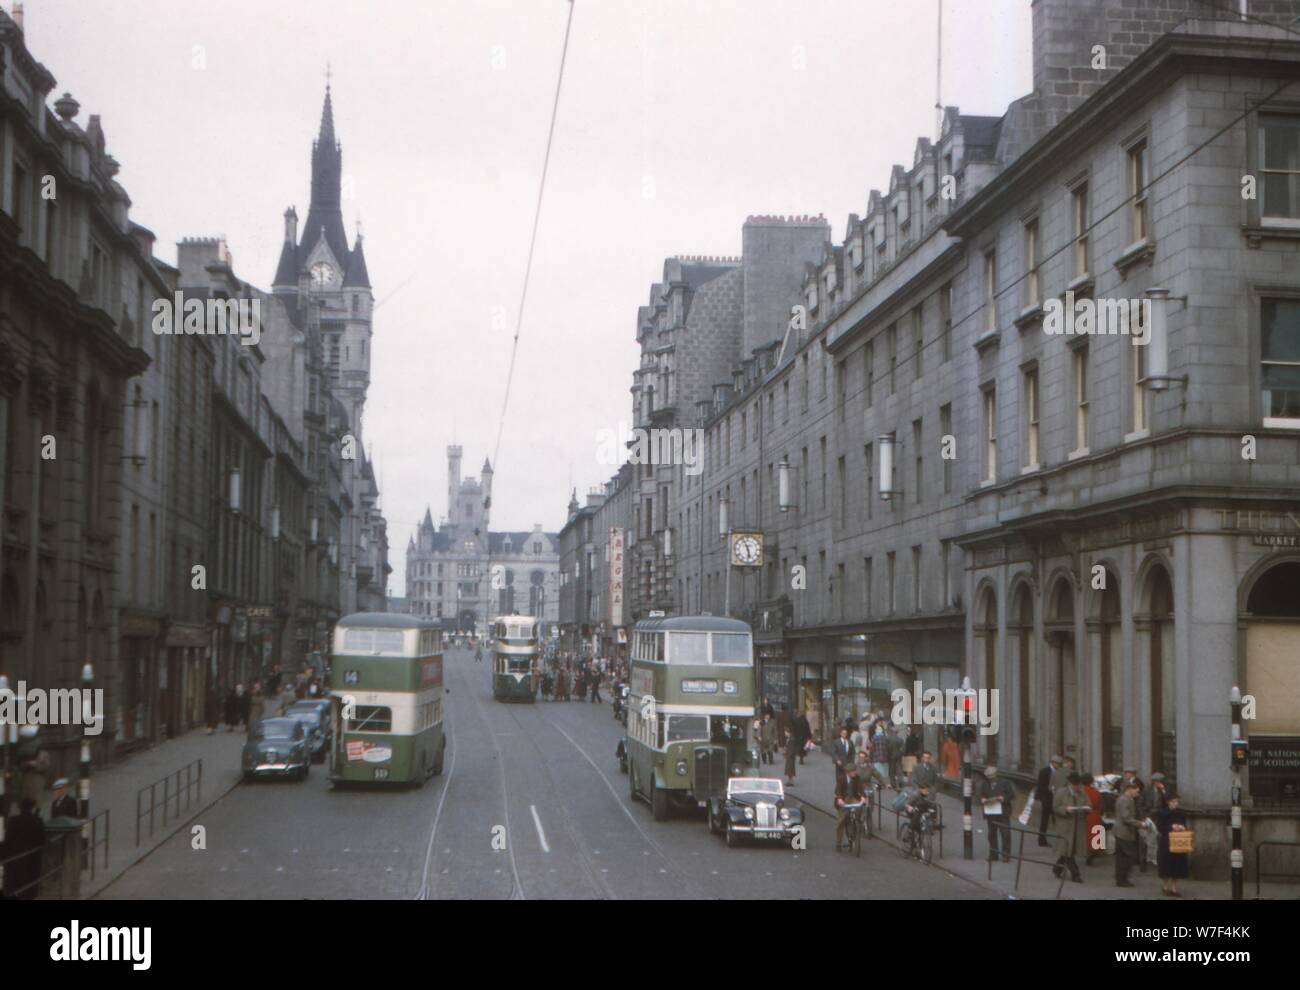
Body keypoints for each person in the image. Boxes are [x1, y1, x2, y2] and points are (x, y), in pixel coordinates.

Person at [1, 798, 45, 899]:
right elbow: (41, 840)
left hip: (14, 860)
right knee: (28, 889)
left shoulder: (13, 820)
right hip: (31, 861)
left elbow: (7, 840)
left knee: (13, 887)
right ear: (32, 808)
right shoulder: (37, 821)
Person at [1052, 772, 1089, 883]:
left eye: (1078, 784)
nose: (1077, 786)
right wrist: (1065, 809)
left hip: (1078, 825)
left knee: (1069, 850)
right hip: (1065, 826)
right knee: (1068, 850)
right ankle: (1075, 874)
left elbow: (1089, 804)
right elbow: (1055, 808)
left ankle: (1057, 868)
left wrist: (1087, 808)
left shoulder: (1082, 793)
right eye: (1074, 784)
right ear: (1070, 783)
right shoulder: (1061, 792)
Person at [1156, 792, 1190, 897]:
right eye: (1174, 802)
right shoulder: (1163, 813)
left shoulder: (1181, 813)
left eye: (1177, 802)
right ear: (1168, 803)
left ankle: (1174, 887)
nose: (1176, 804)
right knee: (1167, 864)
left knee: (1177, 864)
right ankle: (1166, 886)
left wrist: (1182, 827)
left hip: (1179, 841)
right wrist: (1171, 828)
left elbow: (1185, 824)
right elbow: (1160, 827)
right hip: (1167, 841)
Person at [980, 765, 1015, 863]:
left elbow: (1011, 794)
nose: (990, 779)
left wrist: (1003, 798)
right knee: (992, 834)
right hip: (990, 812)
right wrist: (983, 799)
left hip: (1002, 812)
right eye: (988, 777)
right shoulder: (984, 784)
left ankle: (1006, 855)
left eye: (992, 777)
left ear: (996, 775)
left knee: (1005, 833)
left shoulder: (1005, 783)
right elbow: (982, 795)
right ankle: (993, 854)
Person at [1113, 779, 1143, 888]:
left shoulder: (1126, 799)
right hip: (1123, 832)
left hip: (1122, 832)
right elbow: (1126, 817)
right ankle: (1123, 878)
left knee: (1122, 856)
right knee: (1129, 856)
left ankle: (1120, 878)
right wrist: (1140, 823)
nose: (1137, 793)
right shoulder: (1125, 800)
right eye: (1136, 791)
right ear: (1129, 789)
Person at [834, 762, 865, 852]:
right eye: (853, 771)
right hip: (844, 799)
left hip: (853, 797)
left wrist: (863, 796)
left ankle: (858, 820)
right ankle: (838, 843)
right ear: (848, 772)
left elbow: (860, 788)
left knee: (860, 806)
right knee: (841, 822)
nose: (855, 773)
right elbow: (838, 790)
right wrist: (840, 799)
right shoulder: (841, 778)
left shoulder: (857, 777)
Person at [1035, 755, 1063, 847]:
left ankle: (1060, 840)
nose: (1059, 766)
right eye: (1058, 764)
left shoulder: (1058, 772)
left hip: (1055, 799)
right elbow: (1041, 786)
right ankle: (1042, 840)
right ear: (1053, 763)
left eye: (1060, 764)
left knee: (1058, 819)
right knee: (1045, 820)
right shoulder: (1044, 771)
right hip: (1046, 799)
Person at [17, 726, 49, 807]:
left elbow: (46, 767)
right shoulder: (26, 752)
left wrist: (35, 765)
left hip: (37, 781)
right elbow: (20, 766)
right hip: (26, 781)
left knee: (36, 802)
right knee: (26, 802)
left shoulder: (44, 754)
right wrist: (26, 764)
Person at [1082, 773, 1104, 866]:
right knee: (1095, 835)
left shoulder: (1081, 791)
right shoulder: (1095, 792)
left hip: (1084, 814)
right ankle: (1093, 852)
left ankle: (1086, 852)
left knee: (1085, 835)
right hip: (1095, 814)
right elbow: (1100, 803)